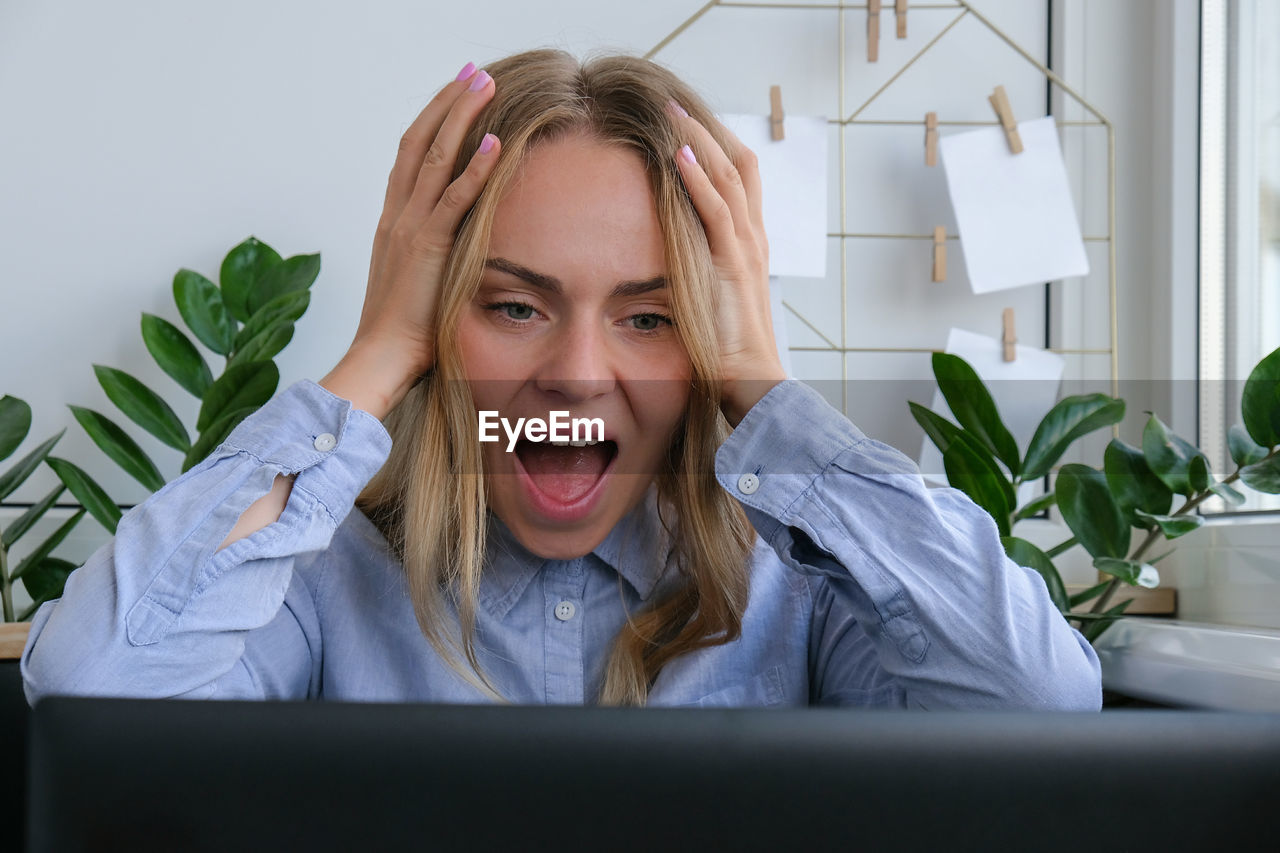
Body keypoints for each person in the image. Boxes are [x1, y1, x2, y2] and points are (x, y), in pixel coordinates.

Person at [21, 49, 1101, 709]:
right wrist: (373, 356)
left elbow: (1039, 697)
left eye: (650, 317)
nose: (578, 376)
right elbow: (92, 685)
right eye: (513, 306)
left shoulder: (804, 596)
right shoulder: (317, 583)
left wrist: (761, 389)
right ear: (438, 326)